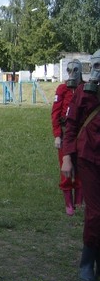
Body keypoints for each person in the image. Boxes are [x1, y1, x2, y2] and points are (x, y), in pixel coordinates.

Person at [61, 49, 100, 281]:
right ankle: (87, 262)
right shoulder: (83, 94)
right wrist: (67, 157)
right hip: (89, 158)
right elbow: (71, 125)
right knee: (96, 214)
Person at [51, 59, 83, 215]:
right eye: (69, 70)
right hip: (65, 133)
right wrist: (57, 135)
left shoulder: (85, 88)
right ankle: (68, 203)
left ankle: (79, 202)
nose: (72, 74)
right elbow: (55, 113)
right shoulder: (62, 88)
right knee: (66, 168)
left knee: (81, 168)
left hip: (81, 134)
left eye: (75, 70)